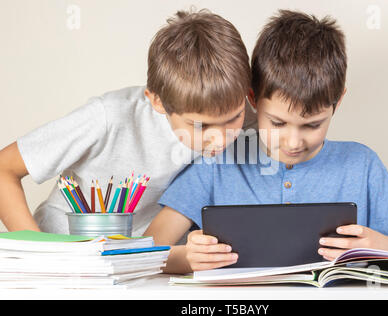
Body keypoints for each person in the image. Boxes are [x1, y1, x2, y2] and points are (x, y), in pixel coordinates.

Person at [145, 10, 388, 274]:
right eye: (277, 123)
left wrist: (378, 246)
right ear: (252, 99)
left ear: (337, 103)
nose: (293, 142)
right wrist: (188, 257)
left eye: (313, 124)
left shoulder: (362, 164)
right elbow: (145, 252)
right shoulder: (216, 162)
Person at [0, 9, 256, 236]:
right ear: (157, 102)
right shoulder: (109, 117)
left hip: (142, 264)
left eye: (234, 117)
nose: (222, 139)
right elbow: (4, 169)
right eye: (201, 126)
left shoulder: (255, 122)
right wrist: (40, 251)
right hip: (64, 252)